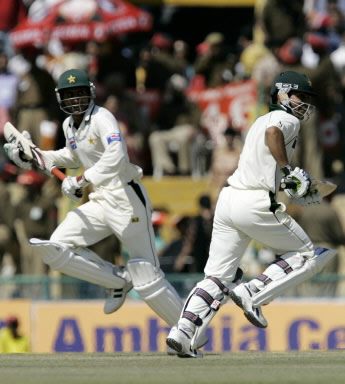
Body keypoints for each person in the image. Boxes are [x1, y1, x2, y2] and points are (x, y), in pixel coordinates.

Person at [3, 69, 188, 336]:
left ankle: (188, 332)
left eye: (79, 92)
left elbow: (117, 155)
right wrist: (39, 156)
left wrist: (80, 181)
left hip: (126, 198)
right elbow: (73, 155)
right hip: (100, 199)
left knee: (146, 275)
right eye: (69, 95)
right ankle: (116, 281)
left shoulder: (103, 118)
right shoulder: (69, 126)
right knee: (57, 247)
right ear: (60, 98)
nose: (75, 99)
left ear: (90, 92)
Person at [166, 71, 337, 357]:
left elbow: (265, 157)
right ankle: (253, 292)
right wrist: (288, 171)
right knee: (309, 255)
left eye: (308, 99)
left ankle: (183, 332)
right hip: (255, 202)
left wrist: (290, 182)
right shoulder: (286, 120)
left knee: (218, 277)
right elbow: (275, 135)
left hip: (229, 199)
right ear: (282, 95)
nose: (306, 104)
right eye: (301, 97)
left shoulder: (259, 120)